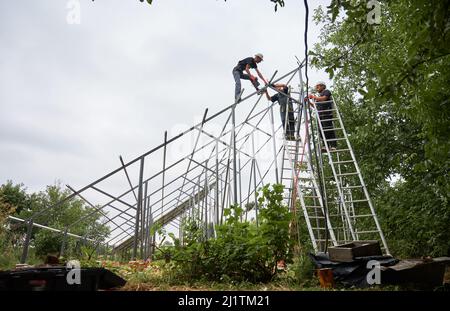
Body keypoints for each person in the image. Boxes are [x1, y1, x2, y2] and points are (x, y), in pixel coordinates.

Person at [308, 81, 337, 151]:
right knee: (321, 131)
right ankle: (325, 146)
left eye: (318, 86)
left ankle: (333, 146)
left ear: (323, 86)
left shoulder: (326, 92)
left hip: (327, 114)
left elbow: (324, 99)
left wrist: (313, 97)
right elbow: (315, 106)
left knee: (328, 129)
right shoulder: (319, 97)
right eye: (316, 87)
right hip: (320, 115)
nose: (317, 88)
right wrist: (308, 102)